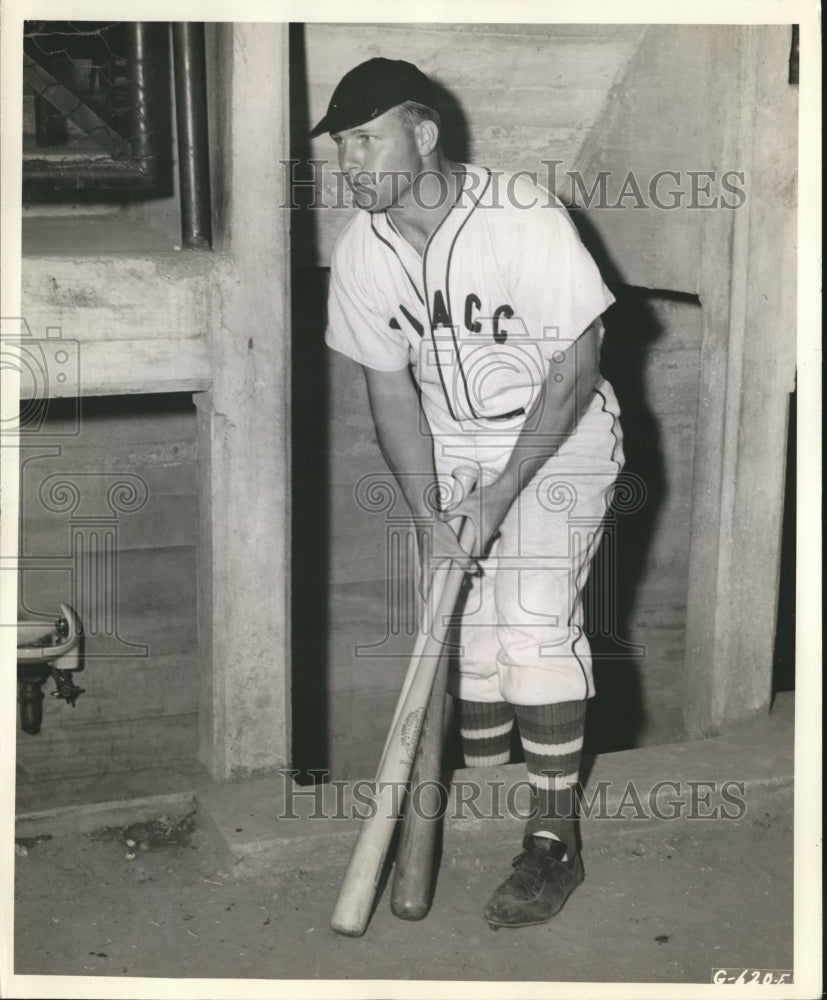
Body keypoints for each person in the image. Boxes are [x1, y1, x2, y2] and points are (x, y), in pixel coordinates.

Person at [312, 57, 624, 929]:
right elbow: (387, 392)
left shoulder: (521, 216)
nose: (350, 162)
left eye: (365, 140)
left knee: (528, 621)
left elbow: (577, 365)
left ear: (423, 133)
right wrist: (430, 515)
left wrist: (498, 497)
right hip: (450, 443)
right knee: (460, 640)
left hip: (555, 434)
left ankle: (555, 844)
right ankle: (484, 793)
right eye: (341, 146)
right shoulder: (362, 248)